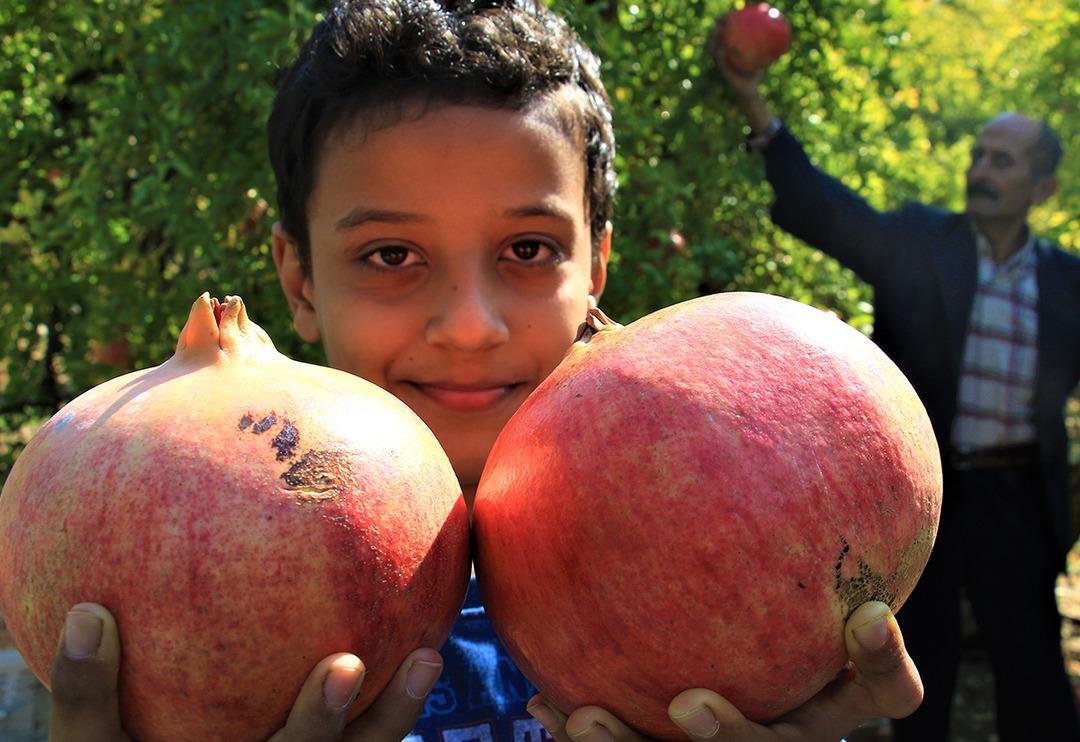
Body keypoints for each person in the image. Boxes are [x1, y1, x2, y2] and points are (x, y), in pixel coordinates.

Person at [41, 2, 925, 740]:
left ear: (599, 268)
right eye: (391, 255)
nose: (470, 326)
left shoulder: (733, 516)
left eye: (529, 248)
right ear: (298, 279)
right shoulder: (191, 550)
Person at [712, 18, 1080, 742]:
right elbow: (825, 210)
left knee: (1032, 665)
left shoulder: (1069, 283)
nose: (982, 169)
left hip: (1020, 499)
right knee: (921, 667)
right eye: (980, 155)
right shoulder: (919, 243)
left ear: (1042, 185)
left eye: (1004, 161)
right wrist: (755, 104)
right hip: (921, 500)